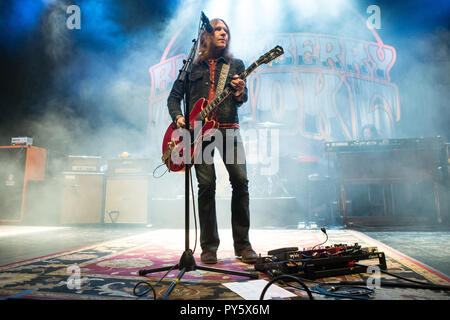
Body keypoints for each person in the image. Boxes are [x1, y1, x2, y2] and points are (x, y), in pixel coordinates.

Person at [167, 18, 258, 264]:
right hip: (199, 135)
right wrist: (178, 118)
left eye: (227, 30)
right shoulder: (191, 68)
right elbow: (173, 99)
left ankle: (243, 245)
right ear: (206, 35)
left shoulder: (235, 64)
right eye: (218, 29)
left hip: (229, 129)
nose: (223, 33)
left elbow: (242, 98)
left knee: (240, 182)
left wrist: (240, 91)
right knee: (206, 187)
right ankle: (209, 247)